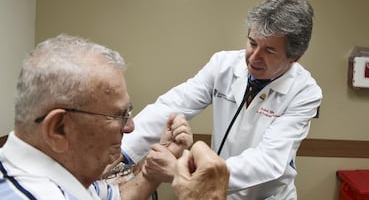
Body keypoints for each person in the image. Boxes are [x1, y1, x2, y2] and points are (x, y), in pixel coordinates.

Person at [121, 0, 323, 200]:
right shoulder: (223, 66)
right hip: (218, 192)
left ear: (295, 57)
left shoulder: (304, 92)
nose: (254, 57)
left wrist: (185, 172)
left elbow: (269, 160)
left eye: (269, 51)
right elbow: (173, 104)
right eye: (252, 43)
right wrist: (123, 153)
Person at [0, 34, 228, 200]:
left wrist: (151, 171)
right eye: (119, 116)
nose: (130, 126)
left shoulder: (57, 170)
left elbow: (116, 195)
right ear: (59, 128)